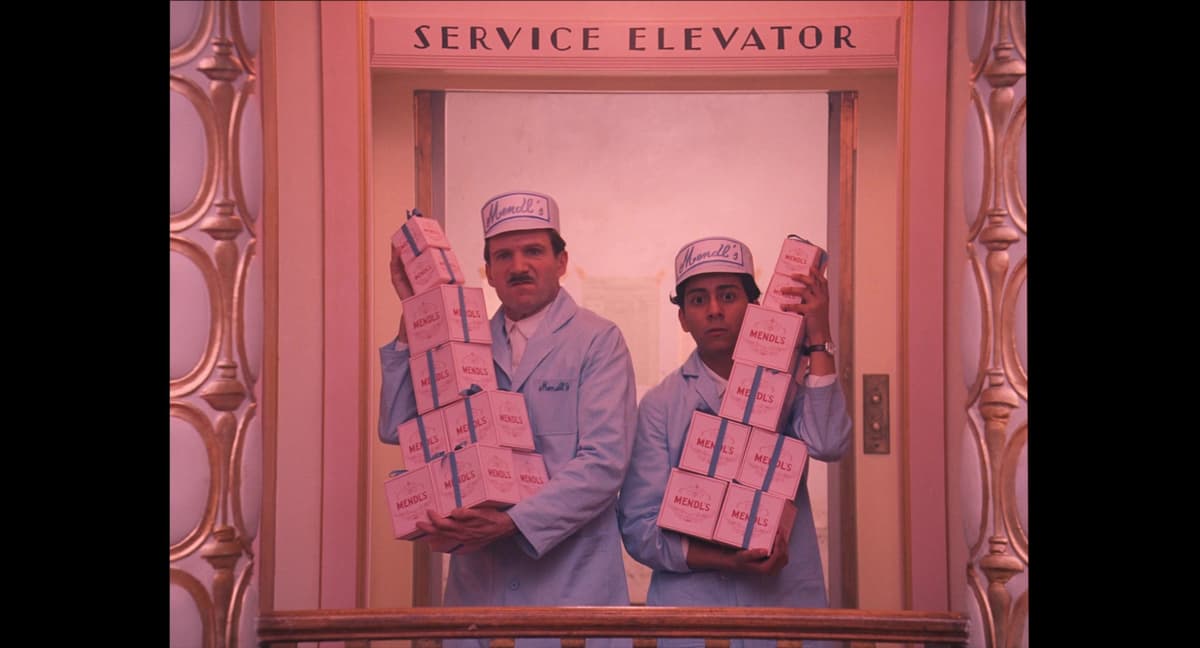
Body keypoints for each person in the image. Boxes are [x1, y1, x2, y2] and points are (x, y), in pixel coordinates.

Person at [378, 190, 637, 648]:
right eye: (504, 255)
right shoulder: (463, 338)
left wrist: (511, 523)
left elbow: (604, 464)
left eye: (534, 250)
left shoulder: (598, 341)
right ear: (489, 272)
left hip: (572, 592)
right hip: (479, 596)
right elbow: (398, 428)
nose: (519, 265)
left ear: (562, 261)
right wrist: (413, 315)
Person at [616, 236, 852, 648]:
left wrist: (819, 335)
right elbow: (639, 528)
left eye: (728, 295)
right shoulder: (660, 405)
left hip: (783, 610)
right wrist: (723, 558)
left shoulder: (793, 386)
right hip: (691, 617)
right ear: (683, 319)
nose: (714, 310)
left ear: (754, 307)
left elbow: (829, 443)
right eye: (697, 300)